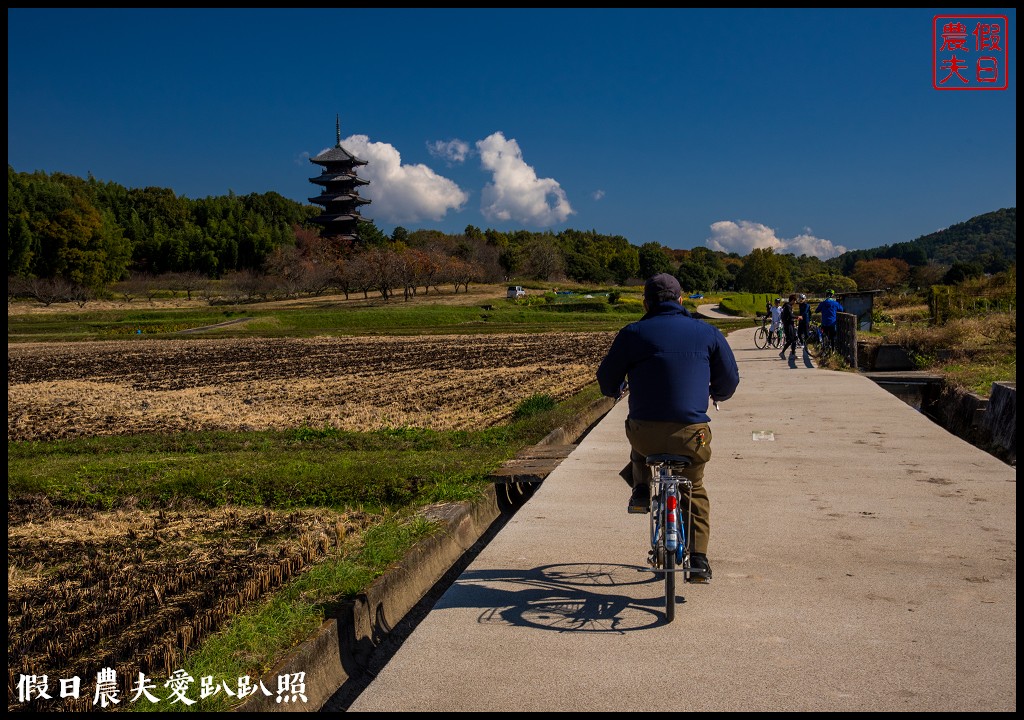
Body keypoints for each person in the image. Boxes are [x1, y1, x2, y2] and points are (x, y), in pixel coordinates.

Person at [597, 273, 740, 582]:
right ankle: (699, 560)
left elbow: (607, 379)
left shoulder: (633, 333)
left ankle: (641, 490)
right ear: (681, 299)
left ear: (646, 303)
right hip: (692, 436)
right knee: (695, 488)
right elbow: (729, 381)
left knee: (638, 445)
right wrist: (719, 392)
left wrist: (616, 388)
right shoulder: (708, 333)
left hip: (645, 434)